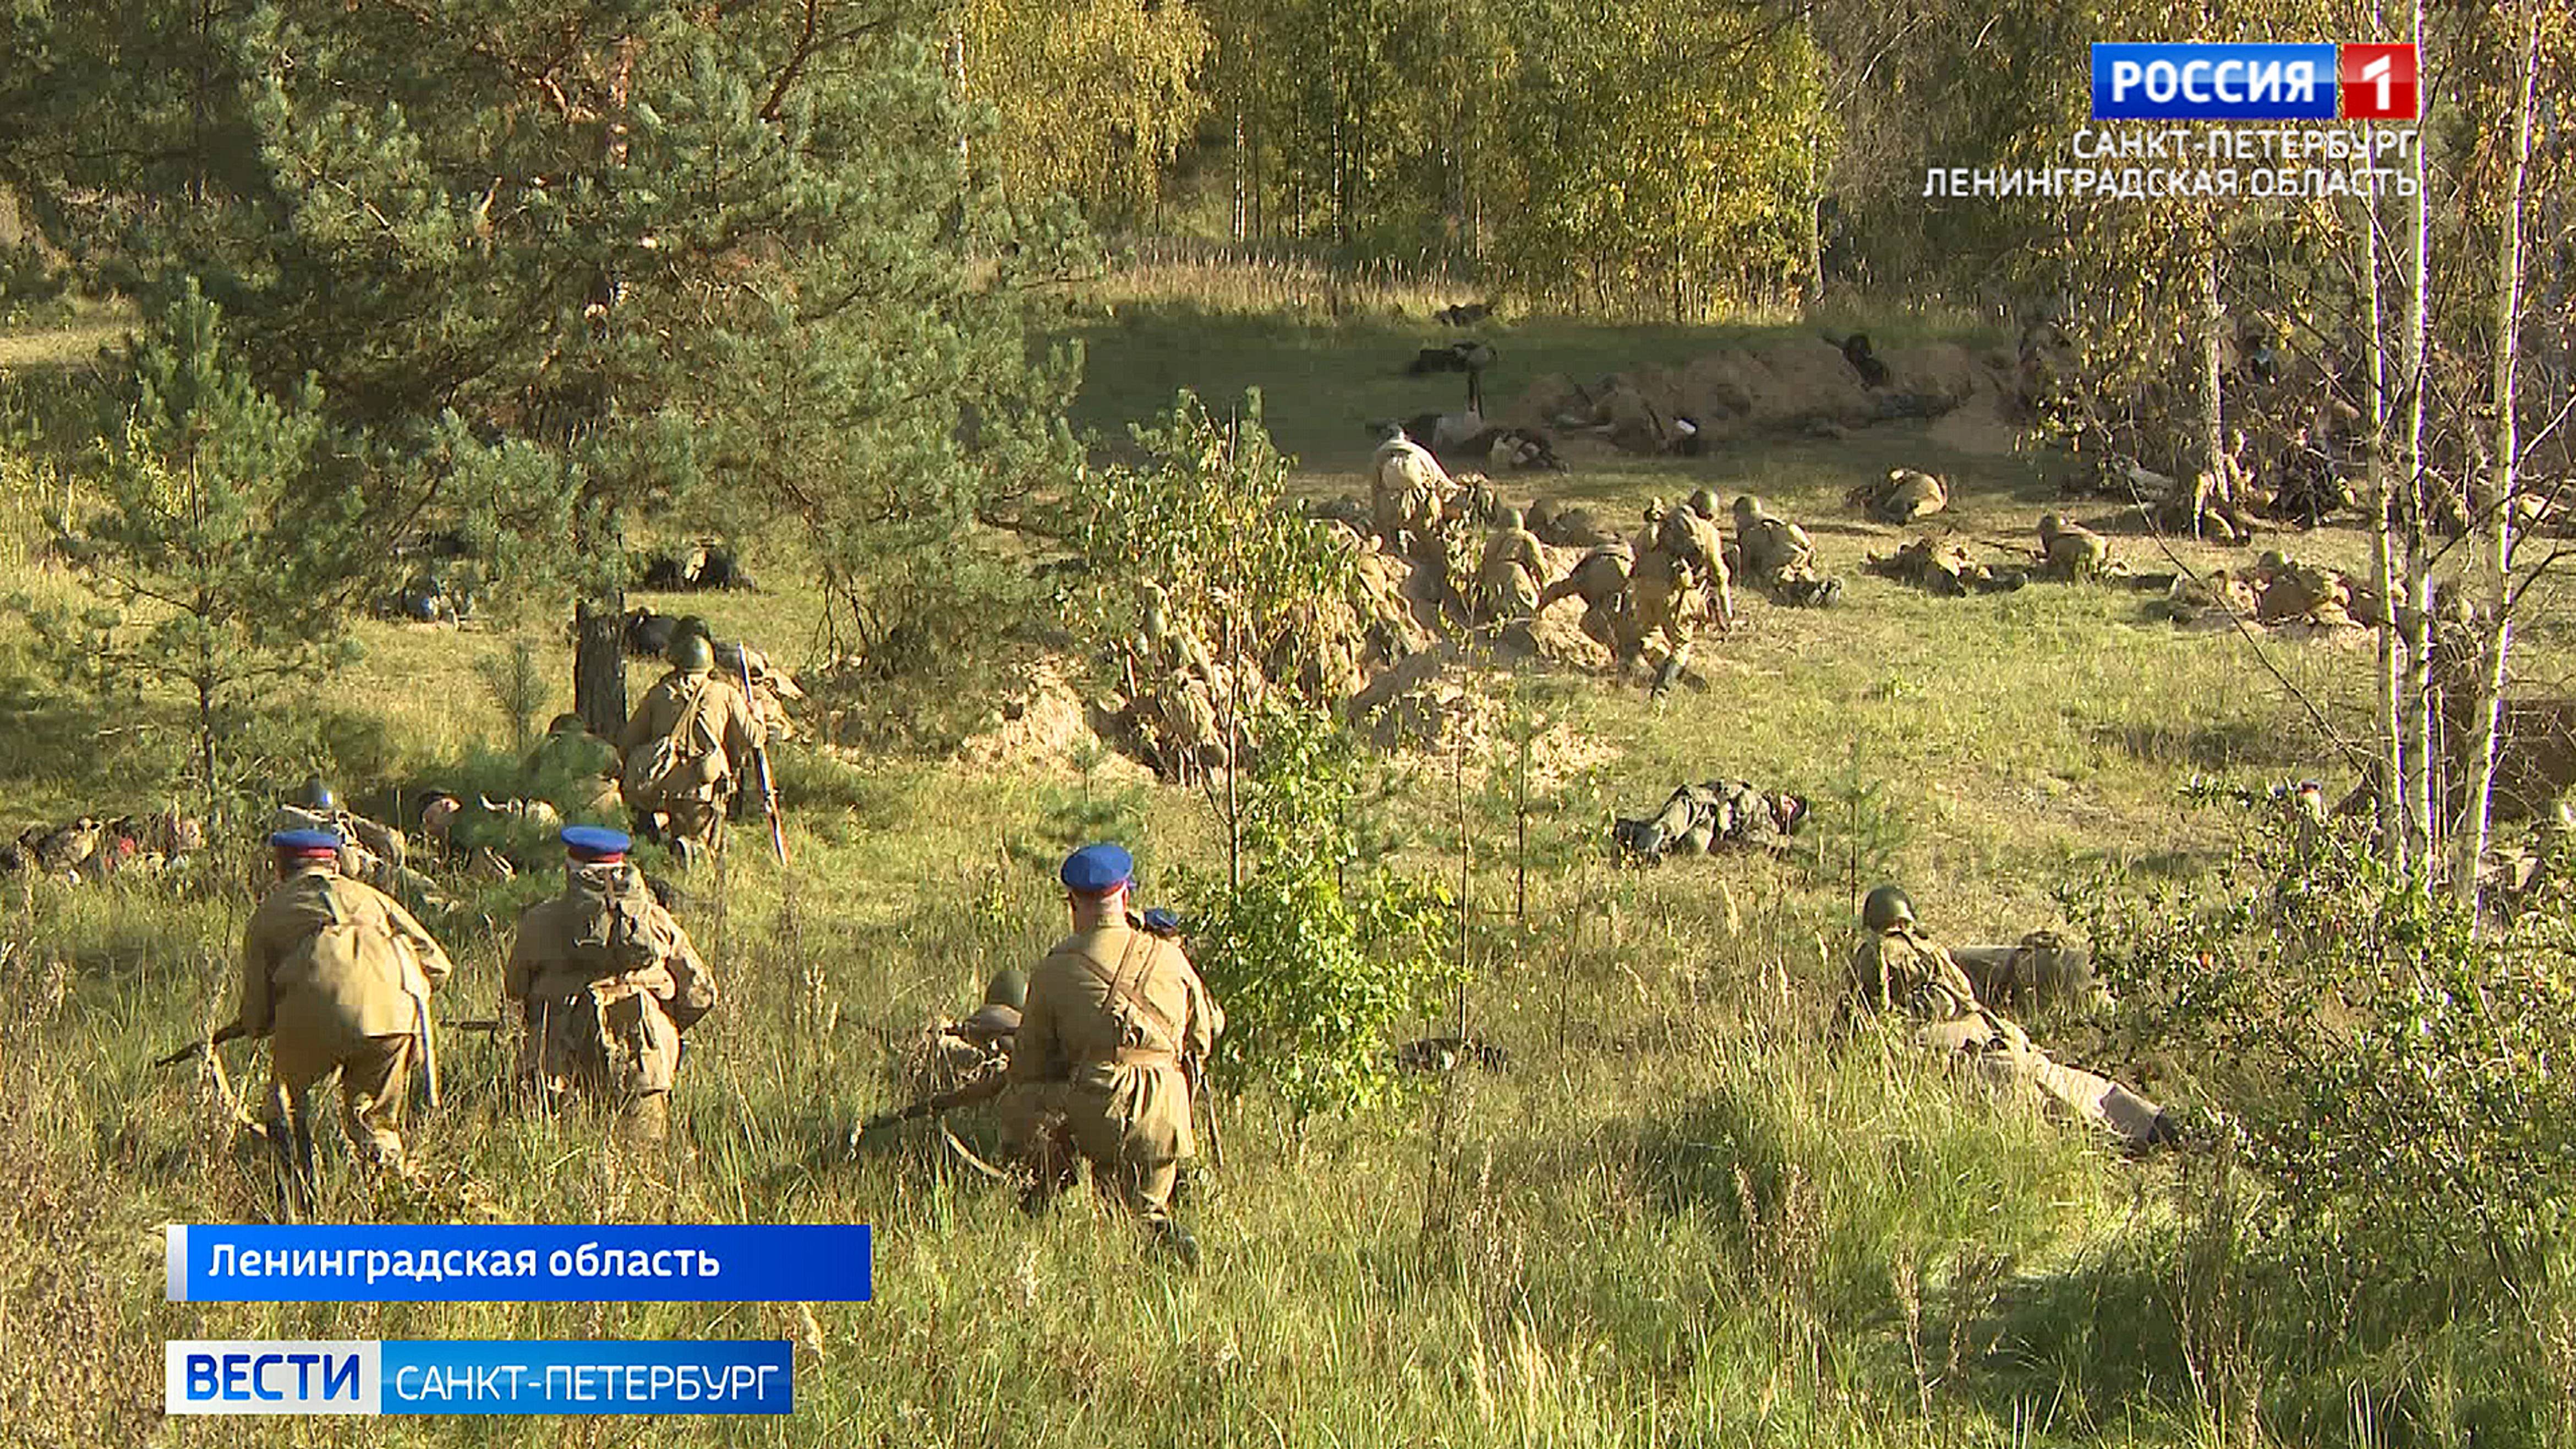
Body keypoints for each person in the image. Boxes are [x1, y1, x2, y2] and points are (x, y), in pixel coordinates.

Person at [1003, 843, 1225, 1263]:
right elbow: (1205, 1034)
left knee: (1027, 1102)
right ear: (1125, 896)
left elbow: (1030, 1065)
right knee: (1143, 1206)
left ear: (1073, 903)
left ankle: (1038, 1207)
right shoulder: (1171, 956)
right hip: (1168, 1112)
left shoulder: (1055, 970)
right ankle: (1160, 1234)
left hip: (1100, 1107)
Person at [1846, 885, 2175, 1151]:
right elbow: (1966, 993)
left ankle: (2135, 1138)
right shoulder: (1933, 949)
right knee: (2069, 1083)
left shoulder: (1874, 953)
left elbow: (1859, 1015)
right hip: (1994, 1031)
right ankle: (2160, 1126)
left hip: (1956, 1052)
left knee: (2043, 1110)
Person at [223, 828, 455, 1183]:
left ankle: (295, 1187)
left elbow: (255, 1013)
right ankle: (389, 1197)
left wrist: (259, 1025)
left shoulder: (268, 914)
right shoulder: (373, 898)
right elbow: (439, 964)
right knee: (375, 1120)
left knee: (285, 1103)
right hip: (395, 1016)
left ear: (281, 866)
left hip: (314, 1012)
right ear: (335, 863)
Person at [504, 827, 719, 1142]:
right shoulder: (655, 921)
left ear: (570, 871)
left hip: (558, 1067)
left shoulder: (540, 921)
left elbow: (515, 990)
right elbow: (701, 994)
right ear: (622, 871)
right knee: (643, 1164)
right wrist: (667, 1027)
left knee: (560, 1158)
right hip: (643, 1057)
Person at [618, 633, 763, 865]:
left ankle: (667, 842)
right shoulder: (725, 693)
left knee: (675, 833)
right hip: (703, 786)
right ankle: (690, 853)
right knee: (703, 847)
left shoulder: (660, 694)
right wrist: (758, 716)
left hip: (663, 784)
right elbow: (754, 738)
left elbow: (629, 741)